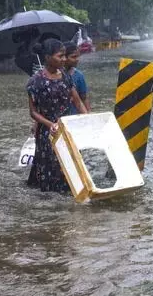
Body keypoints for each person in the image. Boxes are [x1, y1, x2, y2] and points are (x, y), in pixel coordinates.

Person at [26, 39, 88, 192]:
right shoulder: (36, 81)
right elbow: (33, 112)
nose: (64, 59)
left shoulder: (66, 76)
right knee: (50, 169)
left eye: (64, 56)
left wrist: (87, 119)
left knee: (72, 166)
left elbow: (78, 102)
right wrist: (50, 124)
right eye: (60, 56)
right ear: (47, 57)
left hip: (68, 129)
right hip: (48, 132)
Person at [64, 41, 91, 114]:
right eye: (73, 57)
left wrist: (89, 115)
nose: (77, 59)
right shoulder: (54, 76)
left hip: (73, 116)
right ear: (64, 57)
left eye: (78, 56)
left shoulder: (79, 76)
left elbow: (84, 98)